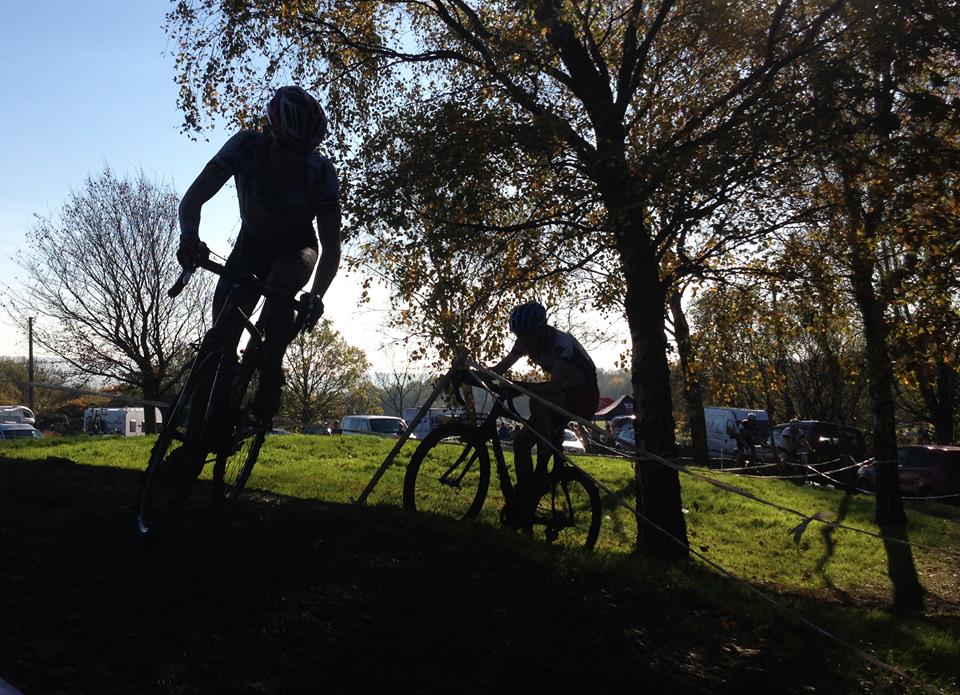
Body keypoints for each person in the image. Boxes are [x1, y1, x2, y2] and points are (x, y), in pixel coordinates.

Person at [177, 86, 341, 433]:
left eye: (304, 151)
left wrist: (317, 295)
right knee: (220, 335)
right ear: (268, 130)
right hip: (250, 245)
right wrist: (189, 237)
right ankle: (197, 437)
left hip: (297, 248)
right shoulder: (245, 147)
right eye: (287, 147)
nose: (293, 158)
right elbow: (193, 199)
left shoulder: (321, 173)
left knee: (281, 285)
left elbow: (330, 246)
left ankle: (270, 366)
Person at [490, 301, 599, 528]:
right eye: (521, 335)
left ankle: (540, 472)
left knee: (538, 400)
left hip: (583, 396)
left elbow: (554, 386)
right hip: (561, 395)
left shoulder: (562, 344)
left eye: (529, 335)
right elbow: (501, 367)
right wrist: (471, 374)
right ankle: (527, 495)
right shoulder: (525, 341)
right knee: (520, 443)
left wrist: (518, 386)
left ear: (541, 329)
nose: (526, 341)